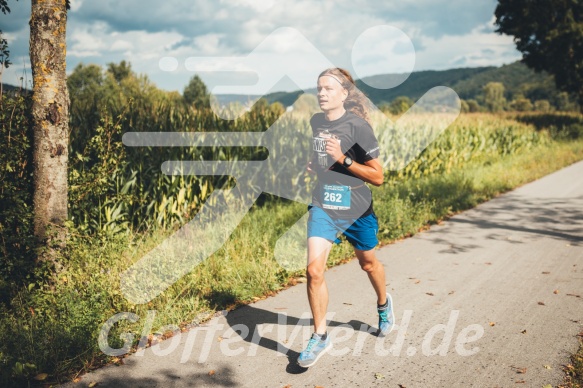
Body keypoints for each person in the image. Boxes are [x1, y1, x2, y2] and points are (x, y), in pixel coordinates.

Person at [297, 68, 394, 368]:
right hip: (324, 203)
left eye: (328, 89)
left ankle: (383, 304)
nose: (322, 94)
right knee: (314, 271)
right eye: (318, 89)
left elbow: (377, 176)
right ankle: (320, 335)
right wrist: (316, 164)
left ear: (344, 93)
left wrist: (344, 159)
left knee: (368, 263)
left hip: (357, 206)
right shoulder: (316, 121)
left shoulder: (359, 127)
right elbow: (321, 156)